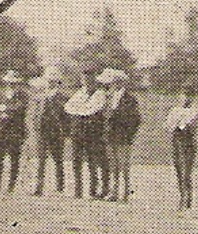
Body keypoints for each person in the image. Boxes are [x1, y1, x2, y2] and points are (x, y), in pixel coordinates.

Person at [99, 68, 141, 202]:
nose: (109, 86)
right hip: (110, 135)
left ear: (118, 82)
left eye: (111, 83)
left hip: (123, 136)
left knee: (124, 165)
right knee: (113, 165)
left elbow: (136, 119)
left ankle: (126, 192)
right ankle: (115, 191)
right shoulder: (108, 98)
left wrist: (128, 134)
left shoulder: (130, 99)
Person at [65, 71, 107, 199]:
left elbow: (92, 109)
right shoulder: (79, 93)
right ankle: (78, 189)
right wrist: (81, 110)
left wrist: (81, 110)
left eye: (89, 79)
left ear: (94, 80)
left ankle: (93, 189)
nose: (87, 82)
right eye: (84, 79)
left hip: (93, 132)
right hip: (78, 131)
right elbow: (69, 107)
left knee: (93, 161)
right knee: (76, 161)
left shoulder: (99, 94)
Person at [0, 70, 30, 192]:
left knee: (14, 157)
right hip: (3, 128)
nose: (11, 84)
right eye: (9, 82)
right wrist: (1, 112)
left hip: (16, 129)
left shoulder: (22, 94)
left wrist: (6, 110)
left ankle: (11, 185)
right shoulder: (3, 93)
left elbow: (20, 108)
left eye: (13, 82)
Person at [31, 71, 69, 195]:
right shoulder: (41, 96)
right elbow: (36, 114)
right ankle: (39, 187)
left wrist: (64, 131)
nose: (51, 83)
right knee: (41, 159)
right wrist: (35, 126)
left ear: (58, 83)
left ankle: (60, 186)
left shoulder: (62, 98)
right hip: (42, 131)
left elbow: (66, 116)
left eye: (53, 81)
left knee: (58, 159)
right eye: (49, 81)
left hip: (56, 132)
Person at [164, 86, 198, 211]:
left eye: (187, 95)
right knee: (179, 170)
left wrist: (179, 123)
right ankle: (183, 195)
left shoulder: (194, 110)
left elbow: (189, 125)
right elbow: (168, 125)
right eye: (183, 95)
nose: (184, 98)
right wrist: (176, 123)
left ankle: (186, 198)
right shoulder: (175, 110)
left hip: (188, 142)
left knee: (186, 171)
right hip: (177, 141)